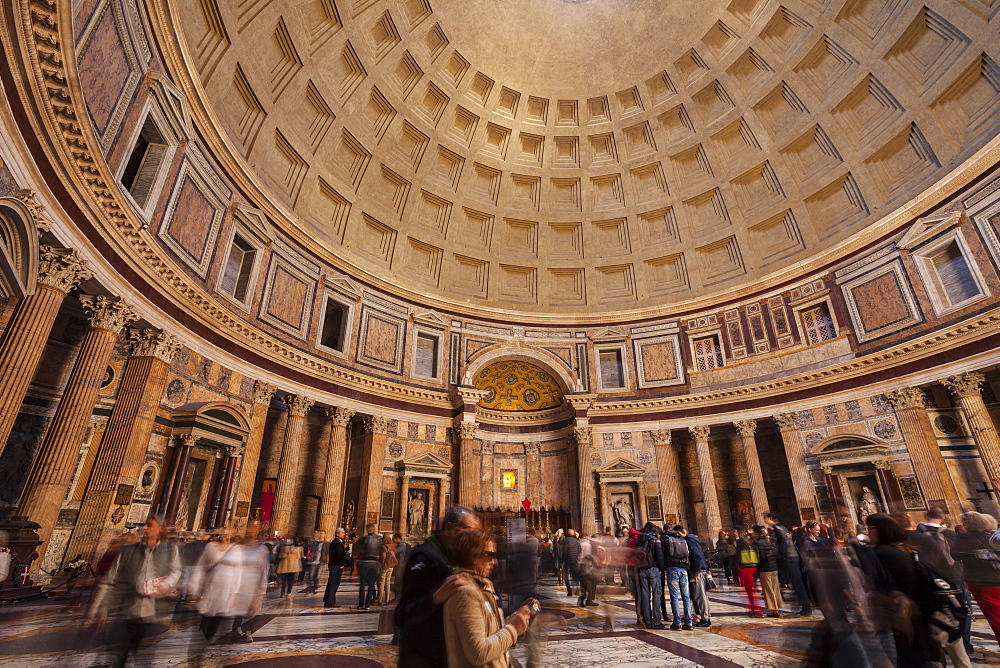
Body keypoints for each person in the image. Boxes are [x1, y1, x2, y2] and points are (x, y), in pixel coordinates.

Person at [88, 516, 181, 667]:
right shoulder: (128, 551)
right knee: (120, 651)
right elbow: (111, 580)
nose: (145, 528)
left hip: (150, 611)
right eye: (145, 525)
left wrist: (167, 584)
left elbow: (176, 571)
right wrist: (100, 607)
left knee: (139, 649)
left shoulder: (169, 550)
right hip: (125, 607)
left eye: (149, 525)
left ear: (159, 530)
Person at [396, 505, 481, 667]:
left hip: (443, 653)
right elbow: (402, 615)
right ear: (450, 528)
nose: (474, 538)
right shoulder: (424, 557)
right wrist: (436, 597)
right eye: (470, 531)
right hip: (421, 656)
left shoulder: (451, 556)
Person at [443, 528, 535, 668]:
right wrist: (513, 629)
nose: (494, 562)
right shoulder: (465, 593)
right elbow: (479, 653)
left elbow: (488, 632)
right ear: (473, 555)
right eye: (490, 555)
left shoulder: (481, 586)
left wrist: (516, 619)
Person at [866, 513, 946, 666]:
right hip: (918, 611)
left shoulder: (880, 554)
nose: (869, 532)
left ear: (883, 531)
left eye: (872, 528)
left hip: (897, 614)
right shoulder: (907, 550)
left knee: (906, 657)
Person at [953, 512, 1000, 641]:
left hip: (982, 581)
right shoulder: (992, 535)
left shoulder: (964, 537)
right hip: (997, 577)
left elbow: (955, 555)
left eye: (965, 522)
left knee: (995, 618)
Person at [763, 512, 810, 617]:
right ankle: (802, 606)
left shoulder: (778, 528)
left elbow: (784, 541)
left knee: (797, 583)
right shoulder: (781, 527)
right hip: (790, 556)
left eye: (766, 519)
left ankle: (806, 608)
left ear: (770, 519)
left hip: (789, 557)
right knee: (794, 582)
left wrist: (776, 552)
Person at [675, 526, 711, 628]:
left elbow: (697, 556)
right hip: (699, 570)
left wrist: (695, 572)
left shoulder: (689, 541)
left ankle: (705, 619)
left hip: (697, 571)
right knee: (701, 595)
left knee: (700, 596)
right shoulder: (693, 539)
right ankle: (705, 617)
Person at [661, 524, 692, 630]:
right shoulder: (682, 538)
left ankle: (677, 622)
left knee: (674, 596)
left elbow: (663, 554)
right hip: (684, 568)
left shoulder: (665, 538)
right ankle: (689, 622)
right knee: (686, 596)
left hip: (672, 568)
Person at [635, 522, 664, 629]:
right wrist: (661, 568)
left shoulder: (639, 540)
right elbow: (659, 555)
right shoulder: (655, 540)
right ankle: (657, 622)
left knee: (645, 595)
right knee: (656, 595)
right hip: (653, 569)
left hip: (642, 569)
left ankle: (647, 621)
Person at [753, 526, 781, 617]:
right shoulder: (771, 541)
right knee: (775, 588)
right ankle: (777, 608)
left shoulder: (758, 543)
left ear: (757, 533)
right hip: (774, 567)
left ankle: (774, 610)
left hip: (765, 568)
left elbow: (760, 557)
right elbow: (776, 553)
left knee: (768, 590)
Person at [354, 523, 382, 610]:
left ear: (367, 530)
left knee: (362, 584)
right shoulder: (379, 539)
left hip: (365, 562)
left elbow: (360, 550)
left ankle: (360, 603)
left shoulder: (363, 539)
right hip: (374, 563)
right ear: (374, 529)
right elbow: (381, 551)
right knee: (371, 583)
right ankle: (367, 605)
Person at [735, 530, 762, 617]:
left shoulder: (740, 543)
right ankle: (752, 608)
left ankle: (757, 610)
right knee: (750, 590)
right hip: (754, 566)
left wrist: (737, 568)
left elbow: (737, 557)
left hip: (745, 567)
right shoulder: (754, 543)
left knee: (749, 590)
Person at [324, 527, 348, 608]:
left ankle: (327, 600)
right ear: (337, 534)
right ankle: (331, 602)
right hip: (336, 566)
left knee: (331, 583)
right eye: (342, 533)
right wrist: (342, 564)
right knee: (334, 584)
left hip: (333, 565)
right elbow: (339, 555)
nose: (344, 534)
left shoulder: (335, 542)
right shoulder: (337, 543)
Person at [378, 533, 398, 605]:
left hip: (385, 566)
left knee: (381, 582)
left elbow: (383, 556)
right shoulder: (393, 546)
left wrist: (383, 564)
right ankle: (387, 600)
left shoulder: (383, 546)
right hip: (391, 566)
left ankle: (380, 600)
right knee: (388, 582)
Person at [303, 530, 326, 594]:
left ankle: (314, 588)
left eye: (322, 534)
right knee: (311, 576)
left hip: (320, 562)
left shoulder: (325, 543)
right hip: (312, 561)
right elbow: (309, 550)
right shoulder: (314, 543)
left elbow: (325, 553)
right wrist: (312, 554)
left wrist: (325, 562)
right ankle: (309, 589)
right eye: (320, 533)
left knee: (317, 577)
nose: (320, 535)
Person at [561, 529, 582, 596]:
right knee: (575, 575)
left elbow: (565, 551)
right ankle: (577, 589)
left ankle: (569, 590)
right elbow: (579, 549)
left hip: (567, 560)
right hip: (575, 560)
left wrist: (563, 560)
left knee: (566, 576)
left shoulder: (566, 540)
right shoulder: (577, 540)